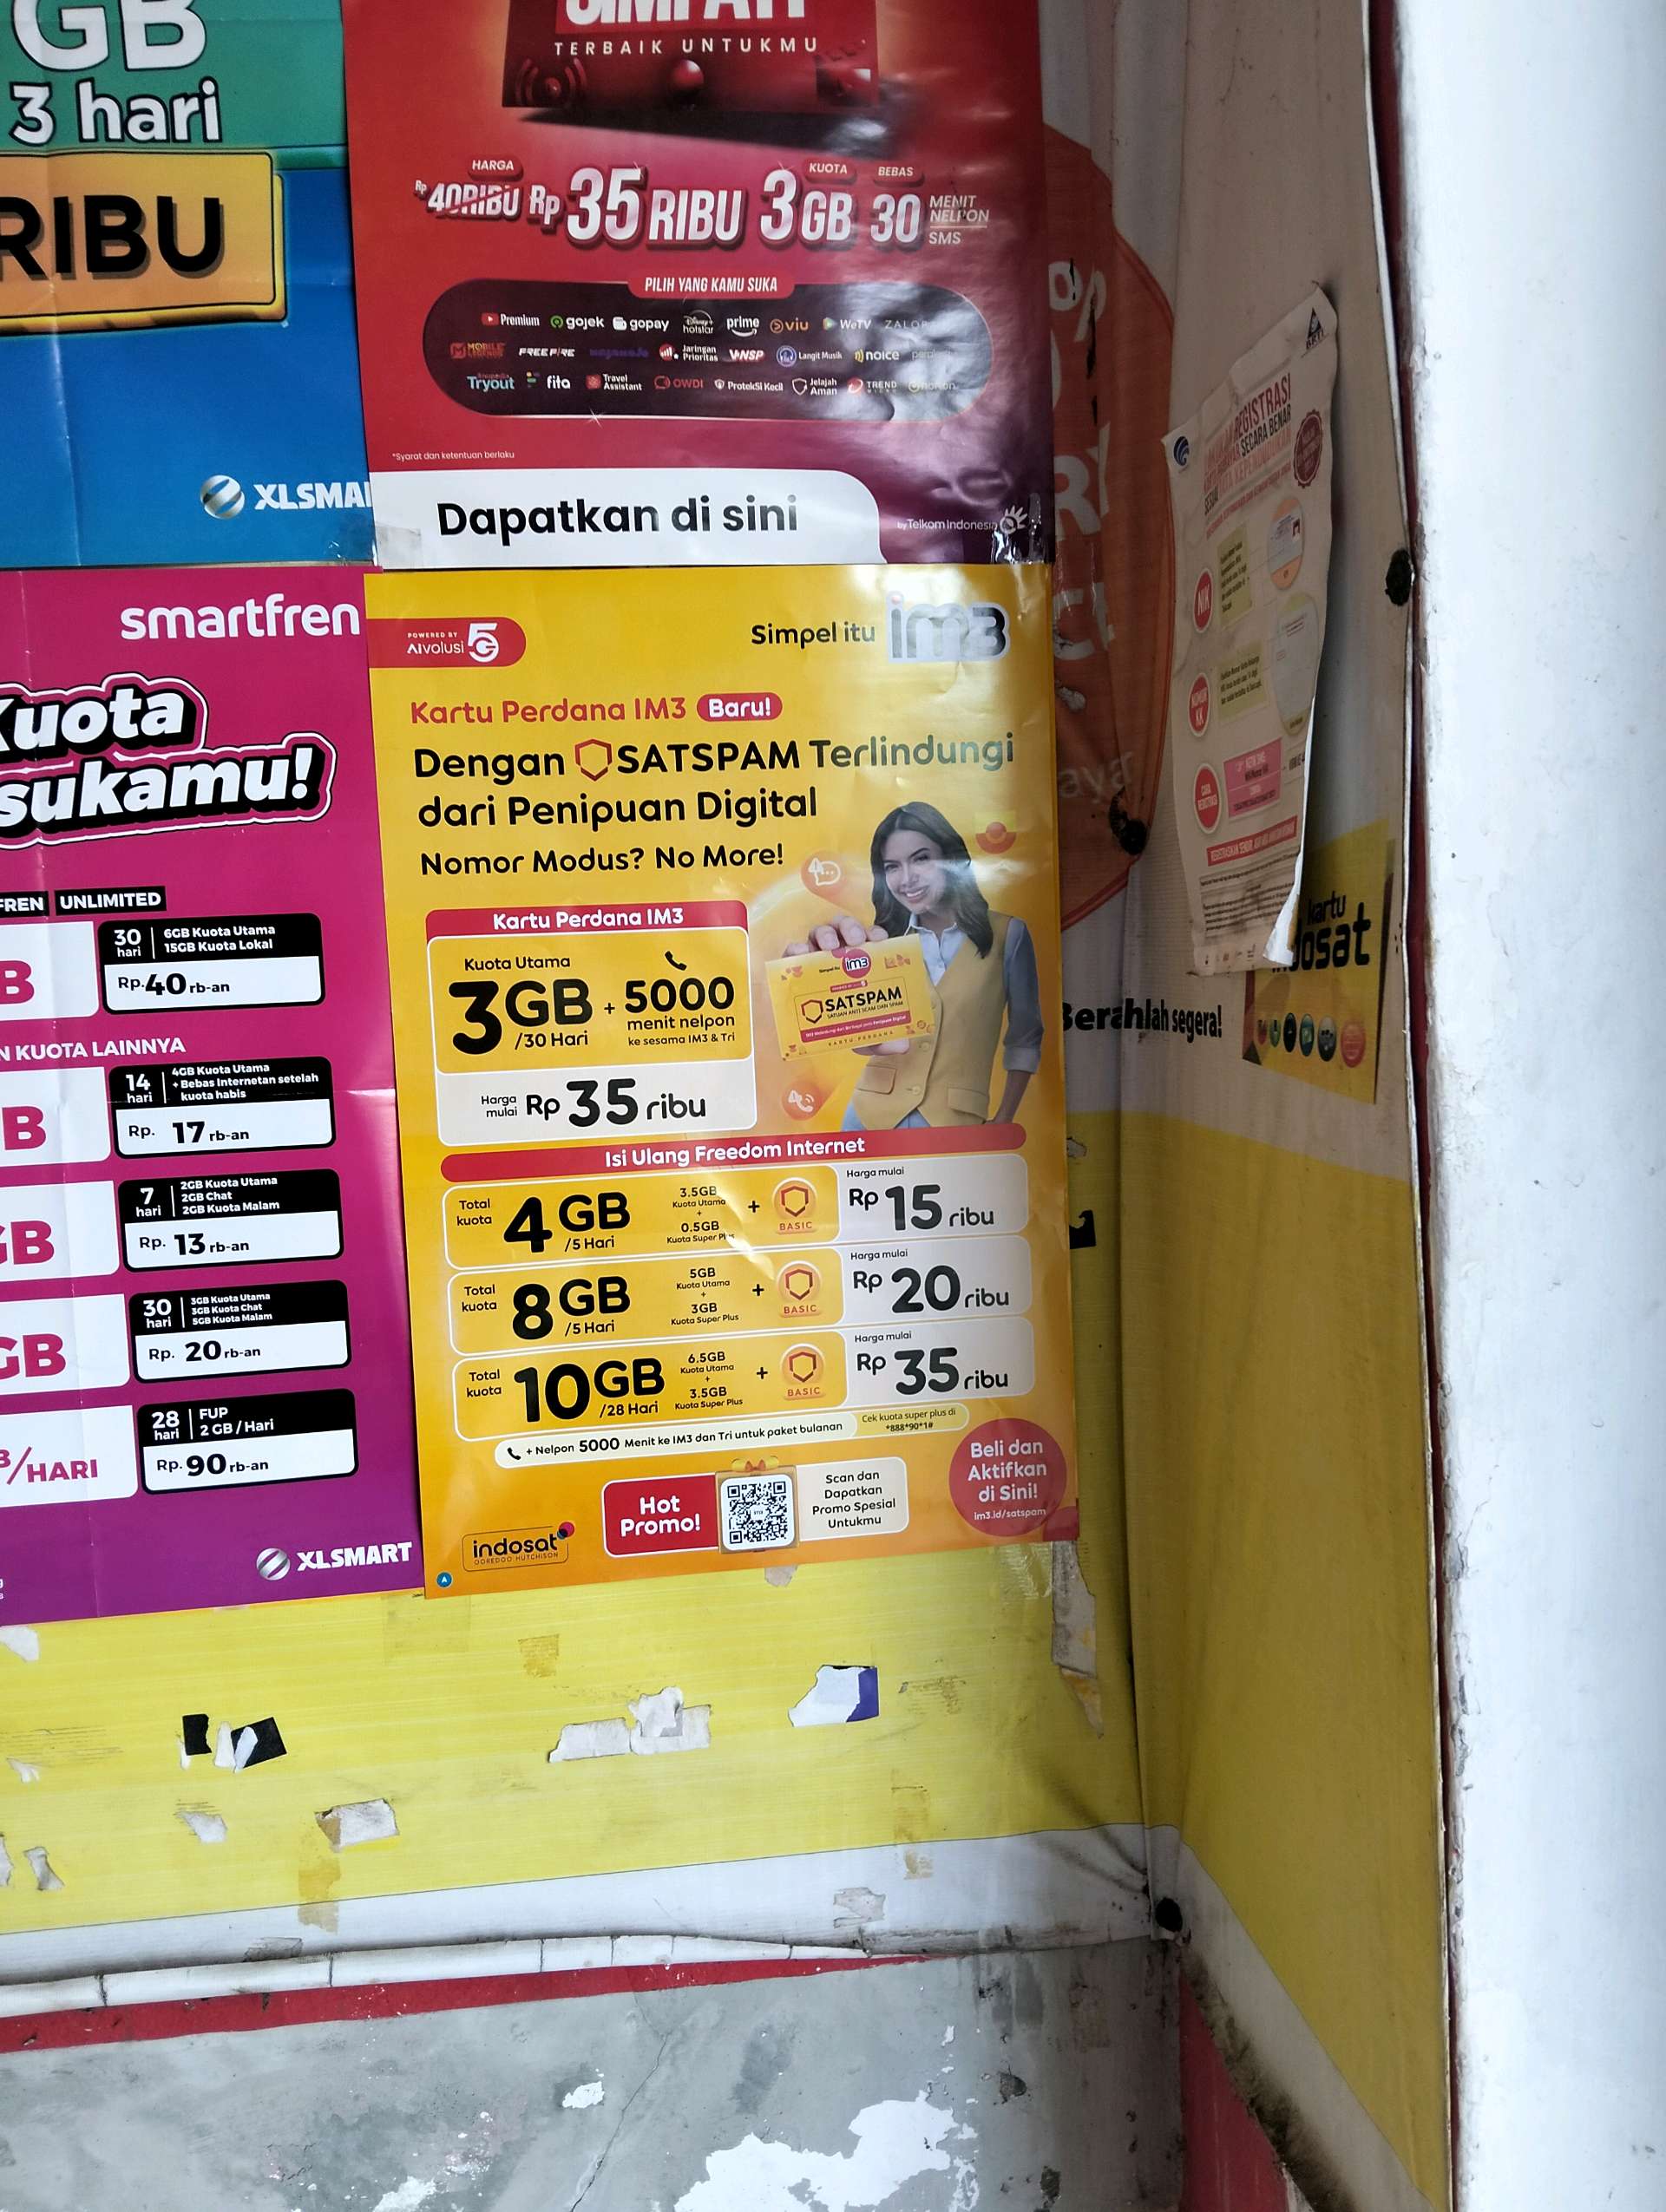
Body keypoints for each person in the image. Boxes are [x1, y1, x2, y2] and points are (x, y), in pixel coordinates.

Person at [784, 801, 1044, 1129]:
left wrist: (1005, 1118)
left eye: (921, 859)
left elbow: (1025, 1036)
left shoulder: (1009, 935)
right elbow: (859, 1037)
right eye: (892, 866)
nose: (907, 879)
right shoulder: (879, 942)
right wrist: (809, 982)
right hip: (867, 1118)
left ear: (952, 859)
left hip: (955, 1121)